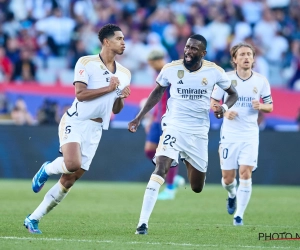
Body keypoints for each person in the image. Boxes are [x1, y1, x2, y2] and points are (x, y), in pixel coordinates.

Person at [24, 24, 131, 234]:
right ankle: (46, 169)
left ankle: (33, 218)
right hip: (76, 120)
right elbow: (80, 94)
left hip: (97, 129)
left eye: (123, 38)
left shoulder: (125, 73)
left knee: (69, 180)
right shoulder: (86, 62)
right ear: (106, 42)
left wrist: (120, 97)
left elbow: (116, 109)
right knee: (72, 164)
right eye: (119, 38)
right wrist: (109, 88)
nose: (123, 42)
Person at [128, 34, 238, 235]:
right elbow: (157, 92)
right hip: (174, 126)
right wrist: (139, 117)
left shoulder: (214, 71)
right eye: (187, 47)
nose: (188, 51)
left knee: (197, 187)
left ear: (203, 53)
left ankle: (187, 162)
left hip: (198, 133)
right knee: (160, 166)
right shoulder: (171, 68)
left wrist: (223, 107)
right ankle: (142, 224)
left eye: (194, 49)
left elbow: (233, 94)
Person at [210, 42, 273, 226]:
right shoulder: (226, 79)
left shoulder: (261, 81)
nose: (246, 57)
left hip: (250, 135)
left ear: (253, 59)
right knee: (228, 178)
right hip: (229, 135)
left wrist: (261, 106)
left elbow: (270, 106)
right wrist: (224, 111)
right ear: (235, 59)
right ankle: (231, 195)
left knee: (245, 173)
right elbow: (213, 102)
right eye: (242, 54)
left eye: (249, 54)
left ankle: (239, 215)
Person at [144, 50, 185, 201]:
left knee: (168, 154)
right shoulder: (158, 74)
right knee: (149, 151)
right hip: (157, 119)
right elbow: (157, 99)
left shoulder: (171, 73)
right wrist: (151, 118)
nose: (151, 66)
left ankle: (170, 189)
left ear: (159, 60)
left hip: (169, 119)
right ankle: (173, 178)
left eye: (152, 63)